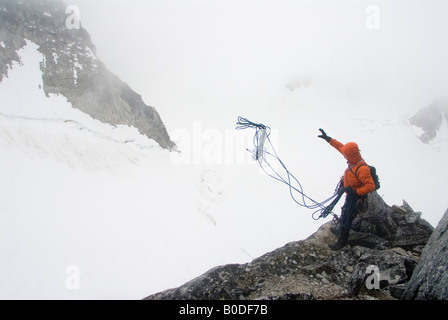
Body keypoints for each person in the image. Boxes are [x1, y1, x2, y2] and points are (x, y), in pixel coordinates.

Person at [318, 129, 376, 250]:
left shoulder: (362, 169)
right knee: (345, 212)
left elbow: (371, 186)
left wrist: (355, 192)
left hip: (355, 198)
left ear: (351, 155)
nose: (344, 156)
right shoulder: (353, 159)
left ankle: (342, 241)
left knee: (347, 217)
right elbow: (341, 148)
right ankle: (342, 231)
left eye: (346, 155)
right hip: (350, 194)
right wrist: (329, 139)